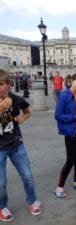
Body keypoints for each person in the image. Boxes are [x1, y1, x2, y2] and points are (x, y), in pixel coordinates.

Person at [0, 69, 42, 222]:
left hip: (16, 144)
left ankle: (32, 201)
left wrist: (23, 117)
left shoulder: (16, 99)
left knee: (27, 176)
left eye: (1, 84)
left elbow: (27, 111)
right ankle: (2, 206)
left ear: (9, 85)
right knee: (1, 183)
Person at [54, 73, 76, 197]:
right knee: (71, 159)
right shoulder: (64, 96)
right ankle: (59, 186)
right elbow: (57, 116)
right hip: (71, 131)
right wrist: (75, 117)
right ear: (71, 81)